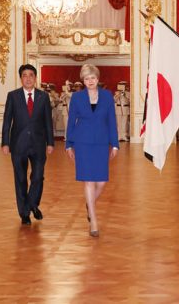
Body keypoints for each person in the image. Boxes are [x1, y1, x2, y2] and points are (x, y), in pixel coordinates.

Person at [65, 64, 119, 237]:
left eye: (93, 78)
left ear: (98, 79)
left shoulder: (107, 96)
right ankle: (94, 221)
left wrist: (115, 144)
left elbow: (112, 120)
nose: (90, 81)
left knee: (101, 181)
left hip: (102, 143)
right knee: (88, 181)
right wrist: (68, 144)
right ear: (83, 80)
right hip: (83, 143)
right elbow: (71, 120)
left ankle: (90, 204)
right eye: (87, 78)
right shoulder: (77, 97)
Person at [1, 64, 54, 225]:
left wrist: (50, 142)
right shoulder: (13, 96)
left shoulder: (43, 97)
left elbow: (47, 121)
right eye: (25, 75)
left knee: (38, 177)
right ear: (21, 78)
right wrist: (5, 142)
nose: (28, 78)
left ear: (35, 78)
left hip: (38, 144)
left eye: (31, 75)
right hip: (18, 144)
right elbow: (7, 120)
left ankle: (32, 204)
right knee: (20, 179)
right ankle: (24, 213)